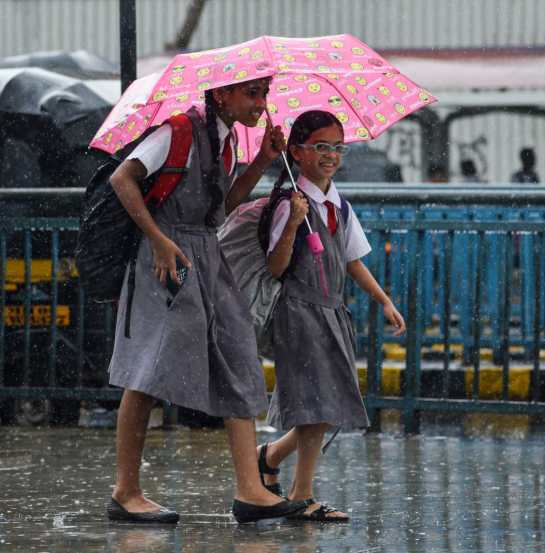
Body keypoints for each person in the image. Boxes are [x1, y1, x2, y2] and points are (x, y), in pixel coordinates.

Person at [105, 77, 308, 524]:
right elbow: (124, 179)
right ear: (222, 94)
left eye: (264, 94)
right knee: (147, 372)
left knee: (239, 356)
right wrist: (157, 240)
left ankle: (251, 491)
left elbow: (223, 206)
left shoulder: (227, 139)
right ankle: (126, 490)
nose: (262, 103)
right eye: (252, 93)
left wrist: (261, 162)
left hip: (207, 255)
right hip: (167, 257)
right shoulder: (177, 131)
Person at [258, 110, 406, 522]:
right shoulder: (292, 203)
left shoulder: (338, 204)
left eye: (337, 147)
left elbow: (353, 259)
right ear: (297, 152)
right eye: (320, 146)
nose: (330, 155)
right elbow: (275, 266)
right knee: (316, 405)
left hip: (330, 311)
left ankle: (269, 457)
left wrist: (383, 300)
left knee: (324, 404)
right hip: (299, 312)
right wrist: (294, 225)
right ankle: (301, 496)